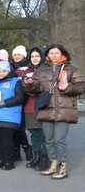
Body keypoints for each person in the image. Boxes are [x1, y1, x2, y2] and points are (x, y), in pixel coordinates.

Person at [22, 44, 85, 179]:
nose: (54, 55)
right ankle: (53, 164)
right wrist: (28, 84)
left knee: (59, 140)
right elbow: (34, 88)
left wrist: (67, 87)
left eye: (57, 53)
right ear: (48, 55)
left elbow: (81, 87)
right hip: (47, 109)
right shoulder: (41, 70)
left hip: (64, 110)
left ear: (62, 54)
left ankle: (62, 167)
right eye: (51, 53)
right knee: (49, 140)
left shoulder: (71, 69)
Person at [0, 61, 25, 171]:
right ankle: (1, 159)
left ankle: (9, 161)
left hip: (9, 116)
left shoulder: (16, 81)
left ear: (9, 70)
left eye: (4, 71)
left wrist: (4, 103)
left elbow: (20, 97)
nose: (1, 73)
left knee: (6, 139)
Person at [23, 48, 49, 171]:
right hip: (29, 105)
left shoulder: (46, 70)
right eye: (32, 56)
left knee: (43, 133)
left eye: (37, 56)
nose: (34, 58)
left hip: (42, 105)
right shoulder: (26, 71)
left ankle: (45, 157)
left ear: (42, 57)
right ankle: (36, 155)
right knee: (33, 133)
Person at [10, 45, 33, 162]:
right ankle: (16, 152)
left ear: (24, 55)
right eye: (14, 55)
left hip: (26, 102)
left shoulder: (29, 69)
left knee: (19, 128)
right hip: (13, 101)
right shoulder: (10, 68)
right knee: (13, 128)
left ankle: (26, 147)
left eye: (19, 54)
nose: (17, 57)